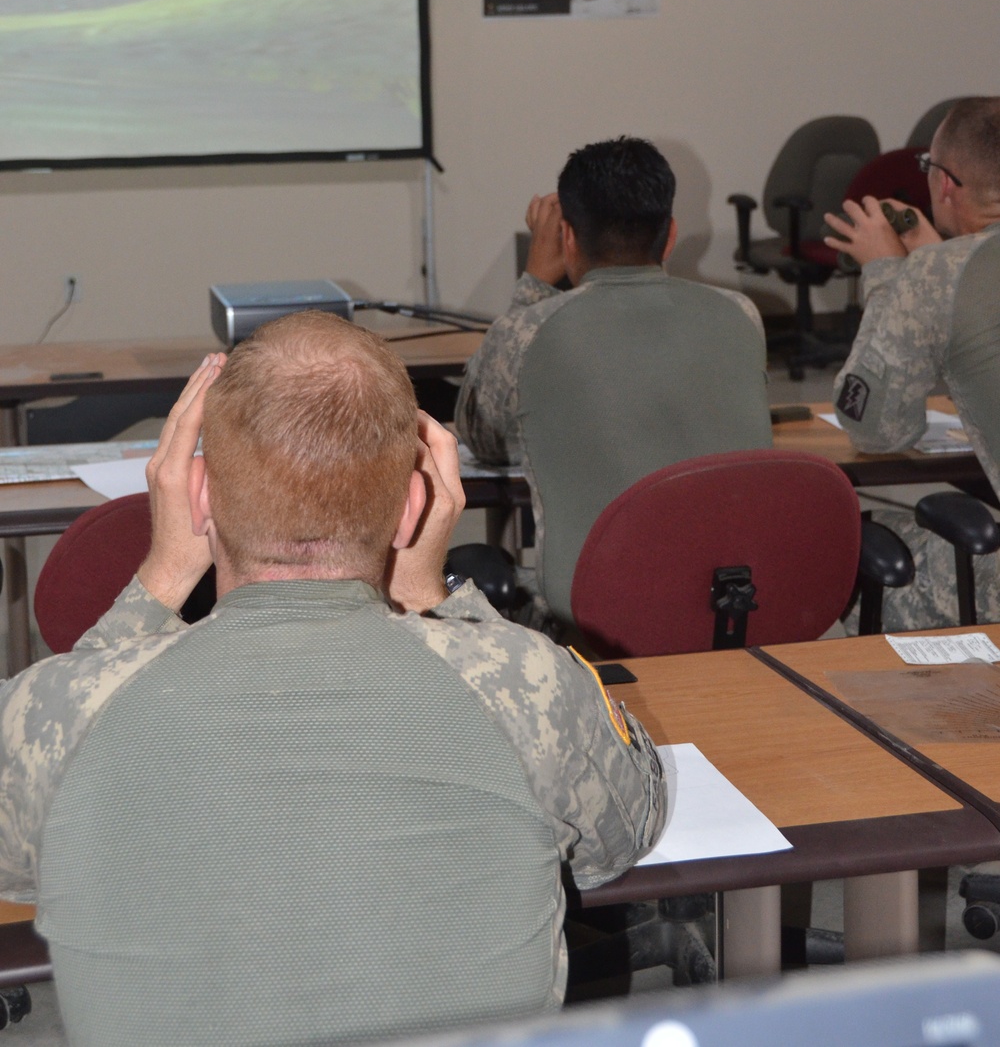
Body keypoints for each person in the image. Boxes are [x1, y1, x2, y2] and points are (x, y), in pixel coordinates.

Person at [0, 313, 666, 1041]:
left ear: (194, 499)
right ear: (415, 507)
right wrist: (431, 597)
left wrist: (158, 581)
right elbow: (625, 833)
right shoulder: (526, 688)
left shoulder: (51, 716)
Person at [455, 136, 772, 622]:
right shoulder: (741, 315)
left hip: (591, 618)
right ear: (670, 236)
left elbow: (484, 439)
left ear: (567, 238)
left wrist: (535, 284)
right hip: (728, 605)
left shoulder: (527, 330)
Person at [824, 96, 1000, 626]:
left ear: (944, 183)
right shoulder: (942, 270)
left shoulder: (936, 277)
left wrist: (889, 276)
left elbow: (877, 431)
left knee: (830, 547)